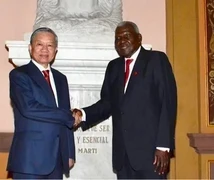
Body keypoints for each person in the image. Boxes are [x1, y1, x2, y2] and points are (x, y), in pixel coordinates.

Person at [73, 21, 177, 179]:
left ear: (139, 38)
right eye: (117, 38)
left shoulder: (156, 60)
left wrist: (163, 146)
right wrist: (82, 114)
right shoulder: (113, 67)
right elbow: (107, 103)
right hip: (123, 156)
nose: (121, 41)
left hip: (152, 155)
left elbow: (167, 104)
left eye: (126, 36)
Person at [7, 27, 76, 179]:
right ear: (30, 48)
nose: (45, 49)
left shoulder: (61, 78)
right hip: (29, 159)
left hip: (57, 159)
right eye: (39, 44)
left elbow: (65, 120)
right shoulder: (19, 75)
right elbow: (29, 108)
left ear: (55, 50)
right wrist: (68, 116)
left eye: (50, 45)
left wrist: (69, 152)